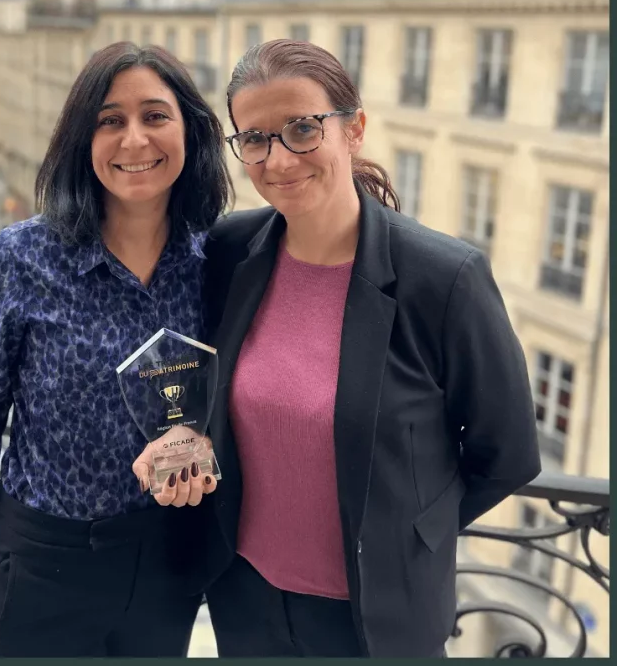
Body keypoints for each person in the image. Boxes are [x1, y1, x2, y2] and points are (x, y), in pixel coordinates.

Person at [141, 39, 541, 659]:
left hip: (377, 619)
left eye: (302, 129)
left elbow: (508, 452)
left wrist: (404, 537)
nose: (278, 159)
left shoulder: (444, 277)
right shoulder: (227, 252)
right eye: (254, 138)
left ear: (353, 130)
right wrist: (181, 435)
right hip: (245, 599)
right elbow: (197, 378)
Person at [0, 42, 230, 658]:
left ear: (190, 132)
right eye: (109, 120)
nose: (135, 140)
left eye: (155, 115)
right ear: (80, 142)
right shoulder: (21, 259)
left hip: (163, 573)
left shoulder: (217, 261)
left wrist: (204, 446)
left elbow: (241, 398)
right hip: (40, 567)